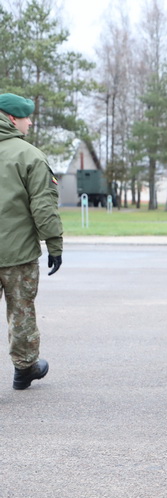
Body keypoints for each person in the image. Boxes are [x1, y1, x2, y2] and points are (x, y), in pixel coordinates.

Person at [0, 93, 63, 391]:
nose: (30, 122)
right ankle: (24, 369)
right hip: (18, 254)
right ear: (12, 118)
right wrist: (54, 245)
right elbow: (43, 206)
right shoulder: (29, 155)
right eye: (26, 117)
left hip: (17, 250)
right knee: (21, 310)